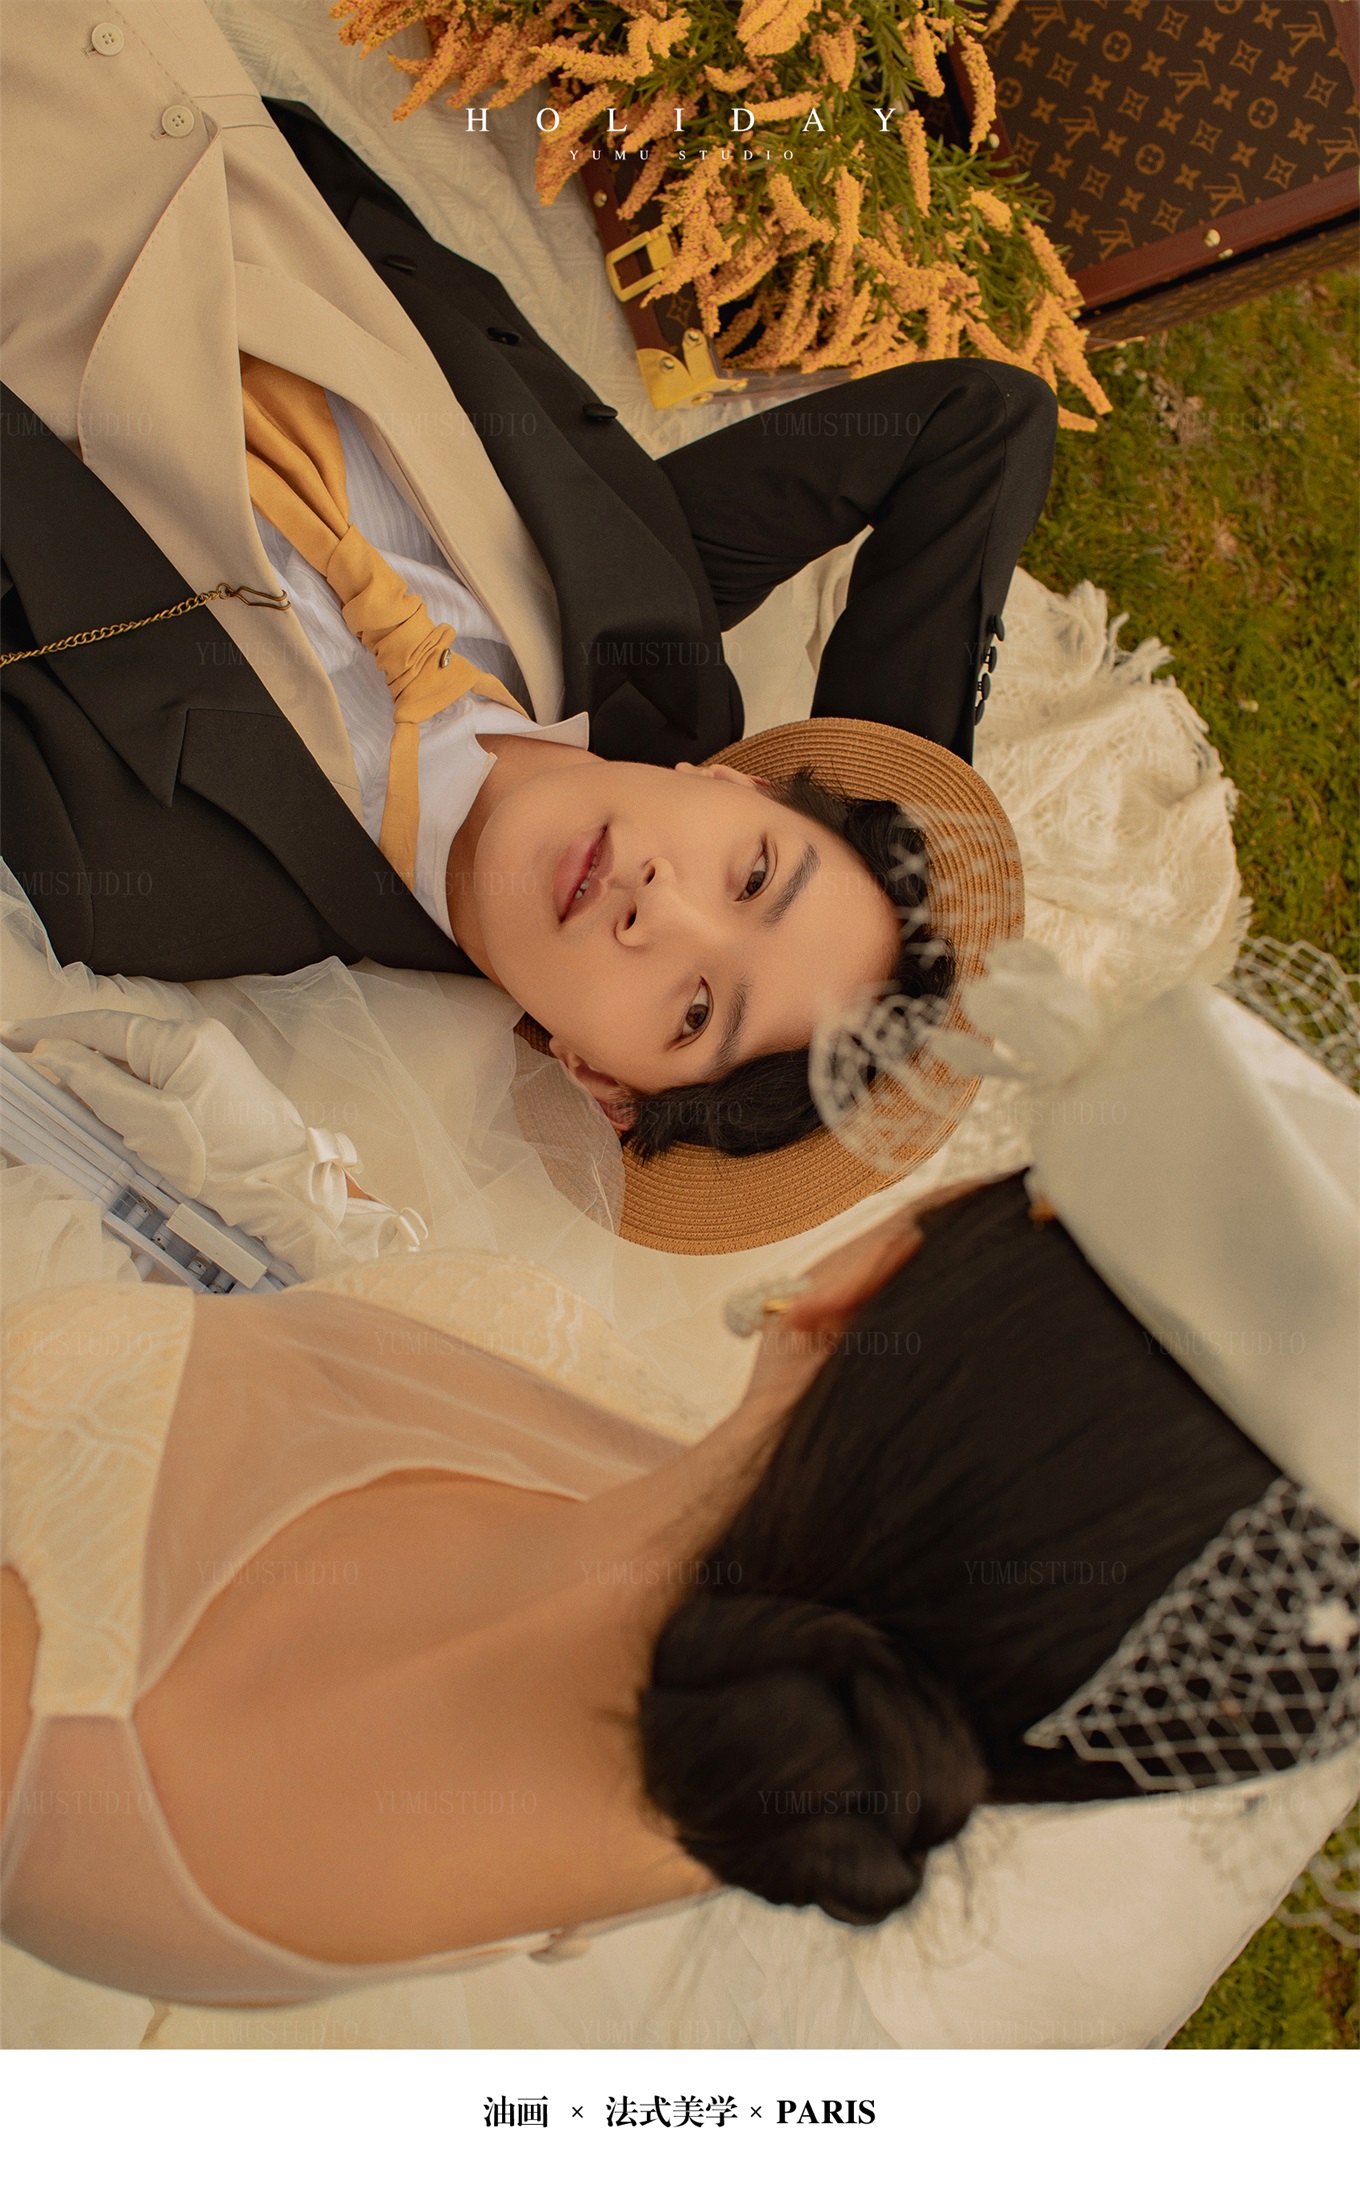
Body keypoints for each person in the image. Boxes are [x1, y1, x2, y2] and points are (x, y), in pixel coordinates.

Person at [3, 958, 1354, 2007]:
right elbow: (378, 1382)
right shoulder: (763, 1651)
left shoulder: (100, 1758)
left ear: (856, 1285)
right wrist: (284, 1194)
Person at [0, 3, 1053, 1211]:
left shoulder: (148, 887)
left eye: (696, 1009)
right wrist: (892, 788)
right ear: (739, 784)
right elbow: (980, 425)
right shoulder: (646, 613)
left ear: (600, 1080)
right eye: (754, 873)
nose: (660, 904)